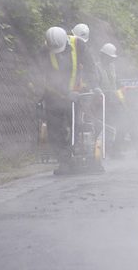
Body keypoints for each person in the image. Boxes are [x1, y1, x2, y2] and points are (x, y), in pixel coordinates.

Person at [41, 26, 99, 174]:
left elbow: (91, 69)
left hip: (78, 95)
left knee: (78, 125)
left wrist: (87, 87)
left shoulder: (79, 45)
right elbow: (44, 77)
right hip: (55, 97)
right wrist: (64, 93)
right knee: (55, 130)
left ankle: (82, 155)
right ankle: (65, 162)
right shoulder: (44, 51)